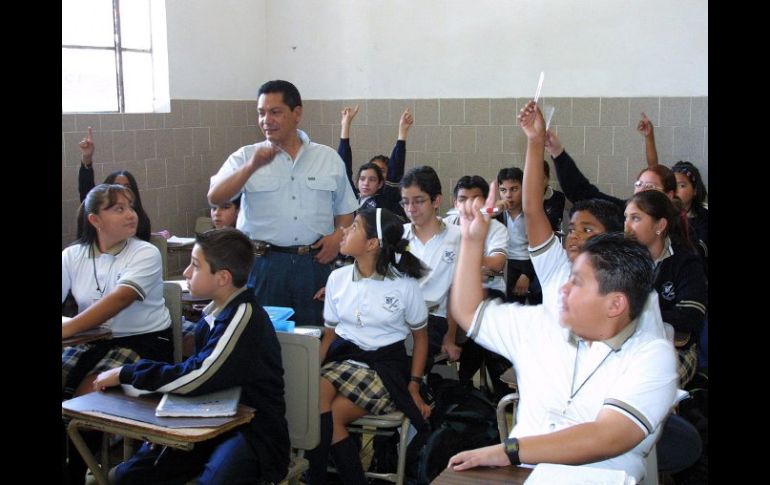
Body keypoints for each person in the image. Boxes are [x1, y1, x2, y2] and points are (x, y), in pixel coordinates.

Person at [448, 205, 678, 482]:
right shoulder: (542, 326)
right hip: (522, 473)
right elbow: (469, 312)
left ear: (615, 303)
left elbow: (608, 436)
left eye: (577, 282)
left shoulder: (652, 355)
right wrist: (471, 241)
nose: (564, 289)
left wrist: (510, 450)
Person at [94, 228, 290, 484]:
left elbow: (198, 376)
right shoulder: (213, 314)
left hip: (252, 432)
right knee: (130, 476)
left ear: (222, 278)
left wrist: (127, 373)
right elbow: (198, 376)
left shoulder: (244, 315)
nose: (186, 273)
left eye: (195, 266)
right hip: (209, 422)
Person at [208, 80, 358, 326]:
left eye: (275, 112)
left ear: (297, 113)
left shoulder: (328, 158)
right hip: (262, 265)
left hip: (313, 264)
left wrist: (337, 237)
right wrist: (252, 167)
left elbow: (345, 211)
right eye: (261, 113)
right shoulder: (246, 156)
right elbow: (215, 196)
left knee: (314, 337)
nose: (266, 120)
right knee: (261, 339)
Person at [305, 208, 431, 485]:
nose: (344, 232)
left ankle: (318, 477)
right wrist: (312, 371)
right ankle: (321, 477)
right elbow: (329, 335)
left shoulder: (404, 285)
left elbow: (421, 339)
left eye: (353, 228)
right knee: (312, 399)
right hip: (344, 361)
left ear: (372, 244)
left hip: (384, 368)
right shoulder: (337, 279)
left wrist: (413, 386)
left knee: (332, 417)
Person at [62, 183, 173, 485]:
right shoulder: (73, 255)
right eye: (118, 208)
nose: (130, 215)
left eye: (131, 207)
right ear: (95, 220)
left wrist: (67, 328)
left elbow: (120, 299)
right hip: (91, 341)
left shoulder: (146, 252)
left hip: (144, 343)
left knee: (84, 399)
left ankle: (80, 469)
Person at [624, 190, 708, 386]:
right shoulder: (621, 259)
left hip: (677, 348)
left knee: (647, 385)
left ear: (660, 226)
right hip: (628, 345)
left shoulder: (685, 262)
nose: (626, 226)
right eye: (626, 217)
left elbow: (691, 317)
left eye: (635, 218)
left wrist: (636, 315)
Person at [400, 165, 463, 364]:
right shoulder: (398, 236)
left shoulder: (458, 237)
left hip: (434, 319)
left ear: (437, 200)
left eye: (418, 201)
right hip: (396, 315)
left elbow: (457, 292)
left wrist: (450, 337)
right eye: (406, 202)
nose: (411, 209)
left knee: (399, 354)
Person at [77, 127, 152, 241]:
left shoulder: (140, 221)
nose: (121, 190)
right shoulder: (72, 254)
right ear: (96, 220)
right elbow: (87, 193)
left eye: (127, 187)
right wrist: (87, 158)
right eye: (116, 185)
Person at [338, 104, 412, 219]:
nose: (366, 183)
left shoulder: (387, 199)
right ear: (357, 181)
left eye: (372, 179)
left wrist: (402, 133)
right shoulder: (351, 197)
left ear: (381, 183)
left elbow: (395, 171)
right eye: (362, 179)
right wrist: (345, 125)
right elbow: (343, 168)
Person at [495, 167, 541, 304]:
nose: (508, 195)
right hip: (505, 263)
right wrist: (494, 210)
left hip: (530, 262)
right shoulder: (497, 213)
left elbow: (539, 247)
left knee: (535, 302)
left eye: (514, 189)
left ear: (524, 188)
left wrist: (526, 273)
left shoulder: (533, 212)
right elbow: (479, 215)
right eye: (503, 190)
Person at [671, 161, 708, 275]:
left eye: (681, 185)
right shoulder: (663, 214)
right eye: (672, 185)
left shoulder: (704, 217)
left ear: (695, 190)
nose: (675, 190)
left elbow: (700, 250)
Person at [542, 160, 566, 232]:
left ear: (548, 178)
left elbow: (554, 222)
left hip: (550, 237)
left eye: (542, 178)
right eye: (535, 178)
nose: (538, 182)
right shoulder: (524, 197)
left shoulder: (558, 197)